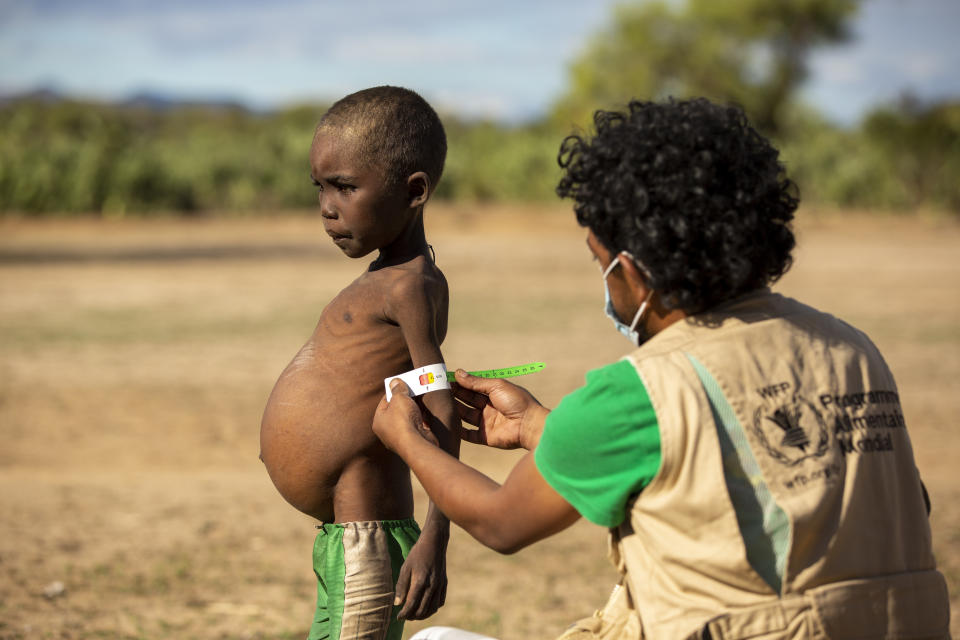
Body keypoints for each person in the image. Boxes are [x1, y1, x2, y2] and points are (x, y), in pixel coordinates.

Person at [372, 98, 951, 639]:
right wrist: (536, 428)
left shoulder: (638, 391)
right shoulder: (850, 348)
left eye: (600, 263)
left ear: (631, 269)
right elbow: (893, 500)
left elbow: (502, 523)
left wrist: (409, 441)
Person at [259, 85, 460, 640]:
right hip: (342, 536)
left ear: (414, 190)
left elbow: (440, 409)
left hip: (366, 534)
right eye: (320, 188)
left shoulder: (411, 287)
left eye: (345, 187)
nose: (327, 208)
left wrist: (435, 539)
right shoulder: (383, 279)